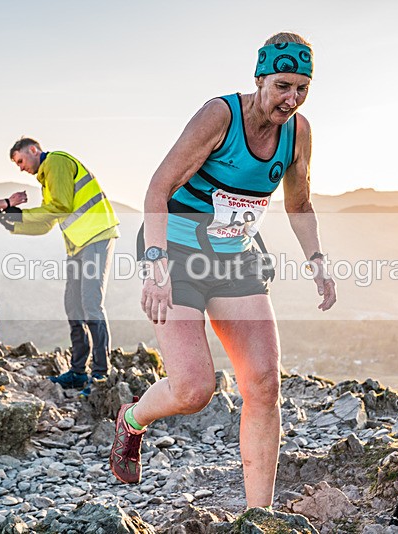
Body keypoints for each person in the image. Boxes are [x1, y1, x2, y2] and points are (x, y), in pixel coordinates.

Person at [109, 32, 337, 510]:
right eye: (282, 86)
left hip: (236, 256)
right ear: (259, 79)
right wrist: (155, 266)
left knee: (264, 383)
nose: (292, 99)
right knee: (194, 390)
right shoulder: (221, 116)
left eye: (302, 89)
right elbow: (157, 189)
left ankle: (259, 515)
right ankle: (132, 420)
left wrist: (317, 260)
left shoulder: (298, 133)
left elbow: (299, 204)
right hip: (175, 252)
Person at [3, 138, 120, 397]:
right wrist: (14, 224)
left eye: (20, 160)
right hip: (77, 245)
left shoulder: (56, 162)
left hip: (96, 236)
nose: (20, 167)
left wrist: (21, 215)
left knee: (91, 305)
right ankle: (78, 372)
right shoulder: (47, 180)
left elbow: (61, 206)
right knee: (73, 308)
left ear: (33, 150)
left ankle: (101, 373)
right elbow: (48, 222)